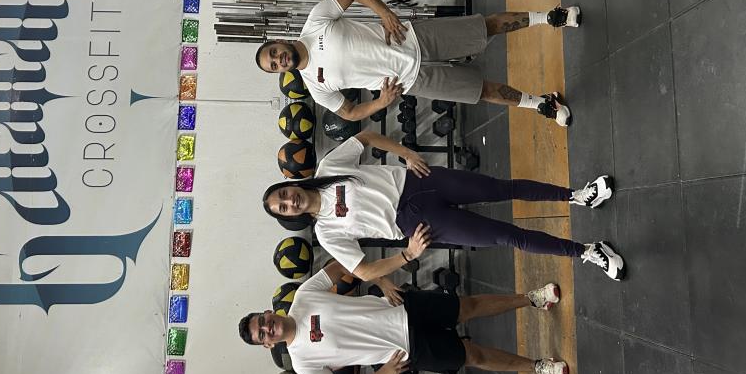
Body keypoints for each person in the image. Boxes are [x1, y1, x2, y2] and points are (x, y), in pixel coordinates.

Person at [262, 131, 625, 282]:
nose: (289, 201)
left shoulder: (328, 169)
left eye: (284, 195)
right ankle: (586, 251)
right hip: (417, 224)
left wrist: (406, 153)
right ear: (290, 217)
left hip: (419, 181)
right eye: (284, 208)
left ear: (290, 185)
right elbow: (364, 272)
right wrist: (407, 255)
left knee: (503, 188)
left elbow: (366, 137)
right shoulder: (326, 232)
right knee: (506, 236)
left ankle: (579, 195)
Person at [238, 260, 571, 374]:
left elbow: (342, 264)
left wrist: (381, 279)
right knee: (474, 356)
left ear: (267, 313)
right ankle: (538, 366)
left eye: (262, 322)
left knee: (467, 306)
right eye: (262, 335)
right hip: (405, 350)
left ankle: (531, 298)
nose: (267, 328)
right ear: (267, 344)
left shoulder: (304, 296)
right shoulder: (301, 362)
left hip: (402, 306)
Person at [256, 0, 579, 126]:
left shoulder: (315, 22)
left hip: (413, 38)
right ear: (278, 72)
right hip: (412, 81)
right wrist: (380, 102)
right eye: (273, 66)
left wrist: (385, 13)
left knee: (487, 27)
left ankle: (552, 17)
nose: (278, 60)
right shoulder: (315, 85)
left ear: (277, 42)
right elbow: (349, 113)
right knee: (481, 92)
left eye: (273, 53)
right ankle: (541, 104)